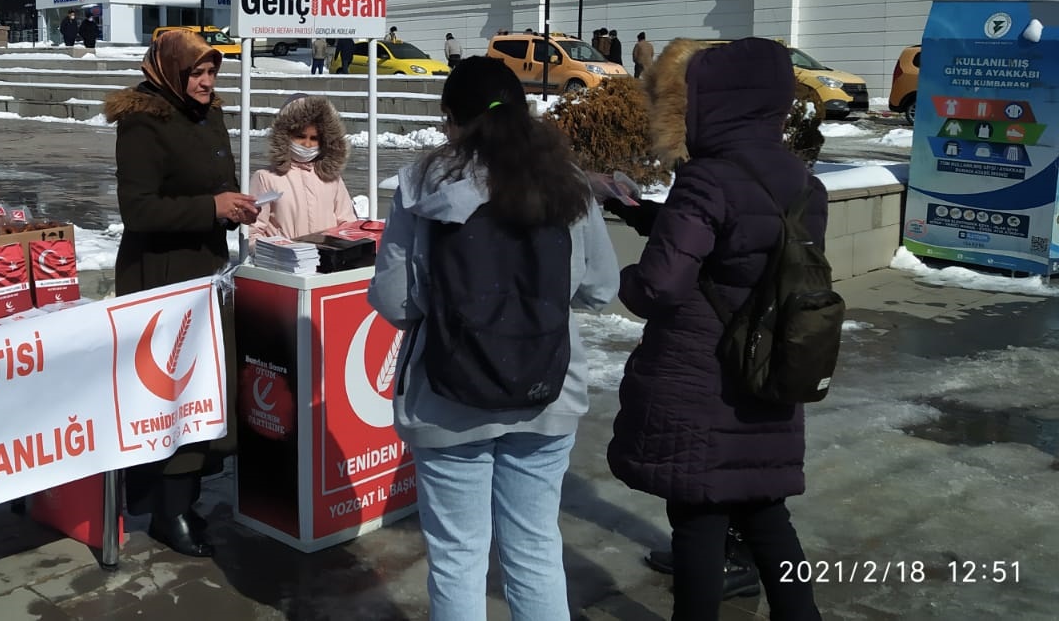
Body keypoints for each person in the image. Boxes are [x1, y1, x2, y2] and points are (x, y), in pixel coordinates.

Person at [368, 56, 620, 620]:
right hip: (547, 389)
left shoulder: (421, 183)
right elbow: (601, 288)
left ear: (450, 120)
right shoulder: (567, 182)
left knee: (458, 556)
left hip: (446, 396)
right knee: (534, 547)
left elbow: (394, 299)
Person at [605, 37, 824, 621]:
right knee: (764, 509)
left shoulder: (707, 179)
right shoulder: (802, 181)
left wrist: (614, 280)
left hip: (702, 376)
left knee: (699, 517)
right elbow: (744, 245)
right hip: (770, 366)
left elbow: (661, 285)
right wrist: (644, 213)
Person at [103, 28, 258, 558]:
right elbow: (138, 209)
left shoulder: (209, 113)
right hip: (161, 276)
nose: (207, 82)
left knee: (207, 392)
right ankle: (167, 511)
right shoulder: (145, 118)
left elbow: (216, 185)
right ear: (171, 71)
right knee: (172, 394)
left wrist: (236, 207)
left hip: (207, 270)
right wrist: (213, 208)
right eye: (197, 73)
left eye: (212, 73)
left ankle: (185, 501)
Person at [248, 95, 357, 241]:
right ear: (286, 135)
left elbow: (348, 225)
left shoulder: (331, 178)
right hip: (283, 260)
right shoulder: (265, 177)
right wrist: (276, 251)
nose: (307, 144)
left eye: (314, 139)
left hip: (326, 260)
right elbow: (253, 231)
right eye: (300, 136)